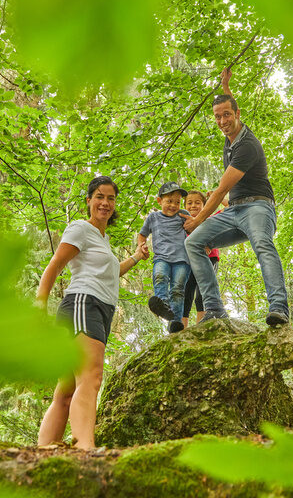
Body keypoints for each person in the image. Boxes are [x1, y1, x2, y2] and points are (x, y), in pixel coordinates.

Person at [36, 176, 148, 450]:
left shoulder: (102, 239)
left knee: (67, 390)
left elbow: (112, 272)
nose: (105, 203)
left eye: (110, 198)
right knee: (91, 377)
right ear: (88, 200)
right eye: (99, 196)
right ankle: (84, 447)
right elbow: (56, 264)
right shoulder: (80, 229)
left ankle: (43, 451)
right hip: (84, 304)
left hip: (96, 308)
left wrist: (136, 256)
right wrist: (40, 302)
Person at [184, 68, 290, 326]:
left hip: (258, 207)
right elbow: (229, 103)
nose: (222, 121)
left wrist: (197, 221)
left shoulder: (247, 145)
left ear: (237, 115)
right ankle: (214, 309)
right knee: (194, 243)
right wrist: (225, 86)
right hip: (233, 211)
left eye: (227, 115)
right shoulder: (231, 136)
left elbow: (221, 189)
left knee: (262, 244)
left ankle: (279, 308)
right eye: (218, 116)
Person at [138, 181, 191, 333]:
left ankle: (175, 322)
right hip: (161, 257)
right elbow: (142, 234)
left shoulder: (183, 215)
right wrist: (141, 246)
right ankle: (162, 304)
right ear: (159, 201)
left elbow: (194, 229)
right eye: (169, 201)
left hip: (182, 259)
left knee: (178, 289)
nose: (173, 205)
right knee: (160, 277)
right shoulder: (153, 217)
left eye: (177, 202)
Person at [181, 190, 222, 327]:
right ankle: (180, 330)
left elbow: (229, 207)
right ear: (185, 206)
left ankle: (201, 328)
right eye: (189, 203)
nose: (193, 205)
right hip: (189, 262)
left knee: (202, 294)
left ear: (204, 205)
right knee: (186, 293)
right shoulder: (183, 223)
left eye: (197, 203)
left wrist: (216, 196)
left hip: (209, 259)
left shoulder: (210, 218)